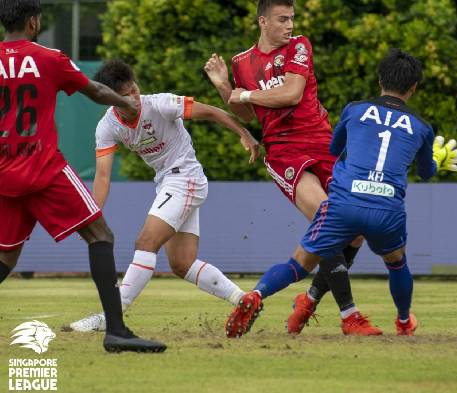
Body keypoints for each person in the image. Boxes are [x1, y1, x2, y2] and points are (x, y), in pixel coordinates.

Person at [225, 48, 457, 338]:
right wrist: (436, 159)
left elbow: (335, 150)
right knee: (397, 264)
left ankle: (258, 295)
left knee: (298, 264)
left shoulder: (355, 110)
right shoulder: (422, 128)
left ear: (379, 81)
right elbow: (426, 172)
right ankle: (403, 322)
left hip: (344, 203)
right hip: (386, 209)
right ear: (413, 88)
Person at [0, 0, 165, 352]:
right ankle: (116, 332)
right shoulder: (48, 58)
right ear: (33, 22)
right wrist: (127, 104)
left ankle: (117, 330)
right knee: (100, 234)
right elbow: (95, 90)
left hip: (5, 173)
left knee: (5, 258)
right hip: (43, 168)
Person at [204, 0, 374, 336]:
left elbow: (292, 93)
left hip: (322, 143)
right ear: (263, 21)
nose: (290, 25)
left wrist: (242, 95)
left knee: (356, 231)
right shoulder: (241, 62)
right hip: (284, 151)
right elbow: (249, 113)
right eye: (283, 19)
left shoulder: (299, 46)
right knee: (328, 215)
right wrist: (224, 85)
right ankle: (349, 316)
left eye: (292, 18)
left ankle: (306, 301)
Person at [69, 59, 260, 332]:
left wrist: (245, 134)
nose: (134, 97)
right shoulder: (107, 127)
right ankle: (244, 300)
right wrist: (91, 215)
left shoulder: (161, 103)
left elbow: (212, 112)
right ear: (111, 99)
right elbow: (102, 177)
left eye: (134, 89)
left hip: (185, 178)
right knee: (182, 263)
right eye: (126, 95)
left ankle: (111, 316)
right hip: (169, 183)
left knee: (145, 241)